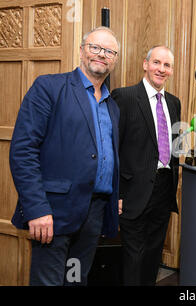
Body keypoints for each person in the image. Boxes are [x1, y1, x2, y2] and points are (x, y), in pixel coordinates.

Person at [9, 26, 121, 286]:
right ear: (82, 50)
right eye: (95, 47)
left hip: (94, 214)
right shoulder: (49, 87)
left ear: (114, 60)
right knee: (48, 282)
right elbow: (23, 150)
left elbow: (108, 156)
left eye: (109, 51)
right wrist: (36, 208)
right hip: (53, 213)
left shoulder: (112, 106)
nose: (101, 54)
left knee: (75, 279)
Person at [111, 45, 181, 286]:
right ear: (145, 64)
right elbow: (114, 147)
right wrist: (117, 192)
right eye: (157, 63)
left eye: (167, 65)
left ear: (171, 70)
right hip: (133, 191)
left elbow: (174, 147)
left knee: (153, 253)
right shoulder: (125, 97)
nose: (161, 69)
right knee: (133, 256)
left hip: (164, 189)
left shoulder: (174, 103)